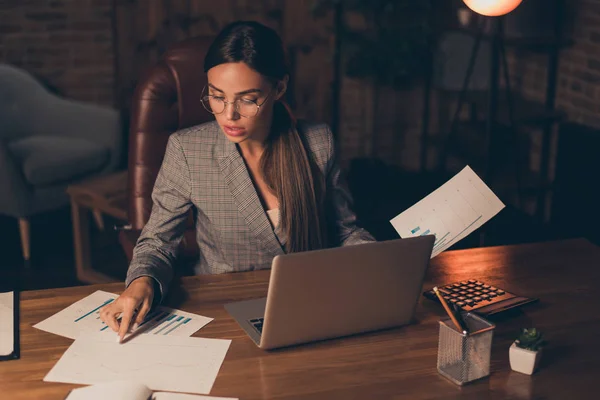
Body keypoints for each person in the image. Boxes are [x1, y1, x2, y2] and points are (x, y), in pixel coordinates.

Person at [100, 20, 375, 341]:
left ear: (279, 88)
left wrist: (376, 262)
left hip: (312, 300)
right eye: (216, 96)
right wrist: (141, 282)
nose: (228, 114)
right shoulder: (188, 150)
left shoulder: (317, 142)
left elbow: (344, 230)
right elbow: (157, 241)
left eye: (247, 99)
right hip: (226, 306)